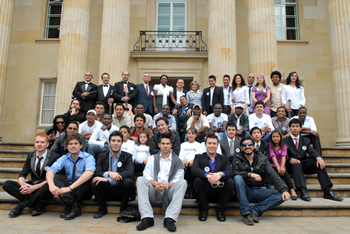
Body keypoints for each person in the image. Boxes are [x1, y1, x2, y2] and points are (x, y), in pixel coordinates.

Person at [233, 136, 290, 226]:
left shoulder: (262, 159)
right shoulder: (237, 159)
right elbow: (234, 172)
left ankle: (255, 210)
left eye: (250, 144)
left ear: (254, 146)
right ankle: (246, 213)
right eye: (244, 145)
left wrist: (284, 190)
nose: (247, 147)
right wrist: (250, 174)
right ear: (241, 148)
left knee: (281, 195)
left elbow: (272, 174)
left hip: (260, 190)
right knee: (237, 178)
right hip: (245, 191)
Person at [136, 133, 187, 232]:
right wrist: (155, 184)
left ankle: (170, 218)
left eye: (167, 143)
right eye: (163, 143)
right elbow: (147, 175)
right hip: (154, 190)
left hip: (169, 192)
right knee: (140, 179)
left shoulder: (178, 161)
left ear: (171, 145)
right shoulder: (151, 159)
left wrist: (166, 186)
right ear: (159, 145)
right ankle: (147, 218)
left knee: (183, 182)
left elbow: (178, 178)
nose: (165, 146)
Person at [282, 119, 343, 202]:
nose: (295, 128)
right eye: (293, 126)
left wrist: (318, 158)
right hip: (292, 165)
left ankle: (327, 190)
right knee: (296, 164)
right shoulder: (284, 141)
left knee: (319, 164)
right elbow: (282, 155)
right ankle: (302, 190)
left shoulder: (306, 140)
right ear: (290, 128)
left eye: (297, 126)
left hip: (303, 163)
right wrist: (290, 159)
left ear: (300, 128)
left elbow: (311, 151)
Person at [3, 133, 59, 218]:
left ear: (47, 144)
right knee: (7, 184)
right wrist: (23, 186)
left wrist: (34, 187)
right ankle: (37, 205)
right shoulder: (31, 156)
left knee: (47, 185)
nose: (39, 144)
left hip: (44, 188)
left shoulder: (54, 156)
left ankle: (21, 206)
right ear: (34, 144)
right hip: (32, 185)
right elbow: (23, 174)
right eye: (37, 142)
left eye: (42, 142)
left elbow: (54, 178)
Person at [46, 135, 95, 220]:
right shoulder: (64, 158)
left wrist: (69, 188)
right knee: (55, 177)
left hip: (83, 190)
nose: (73, 146)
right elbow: (51, 170)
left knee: (87, 178)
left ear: (80, 146)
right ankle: (73, 206)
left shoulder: (88, 157)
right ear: (67, 147)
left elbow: (90, 172)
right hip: (70, 190)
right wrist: (51, 185)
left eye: (76, 143)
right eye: (70, 144)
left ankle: (71, 207)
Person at [192, 133, 234, 222]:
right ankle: (203, 211)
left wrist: (220, 174)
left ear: (217, 145)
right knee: (198, 180)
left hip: (219, 191)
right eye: (209, 143)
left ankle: (220, 211)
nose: (212, 146)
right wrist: (207, 176)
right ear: (205, 144)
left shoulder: (224, 158)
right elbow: (194, 169)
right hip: (205, 191)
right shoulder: (199, 157)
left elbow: (230, 171)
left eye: (214, 143)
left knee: (230, 181)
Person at [91, 131, 134, 218]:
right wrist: (109, 173)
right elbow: (97, 171)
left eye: (118, 141)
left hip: (121, 191)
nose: (115, 143)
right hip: (107, 190)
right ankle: (102, 209)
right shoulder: (102, 156)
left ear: (122, 143)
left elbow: (129, 172)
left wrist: (108, 178)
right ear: (109, 142)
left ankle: (123, 209)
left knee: (128, 182)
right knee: (95, 182)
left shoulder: (128, 156)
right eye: (113, 141)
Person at [269, 130, 297, 200]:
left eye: (277, 136)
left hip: (282, 165)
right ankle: (279, 190)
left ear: (280, 137)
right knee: (276, 173)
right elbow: (273, 156)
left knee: (285, 173)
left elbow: (283, 156)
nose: (275, 138)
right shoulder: (270, 145)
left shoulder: (284, 146)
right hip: (273, 165)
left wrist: (282, 167)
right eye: (274, 137)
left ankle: (292, 191)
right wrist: (278, 167)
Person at [179, 128, 203, 199]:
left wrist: (193, 160)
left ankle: (192, 190)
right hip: (185, 163)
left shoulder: (199, 145)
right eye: (189, 133)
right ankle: (186, 190)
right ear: (186, 135)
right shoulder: (183, 145)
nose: (191, 135)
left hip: (194, 163)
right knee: (185, 169)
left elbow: (200, 155)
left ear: (196, 135)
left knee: (193, 169)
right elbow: (181, 155)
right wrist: (184, 160)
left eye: (193, 134)